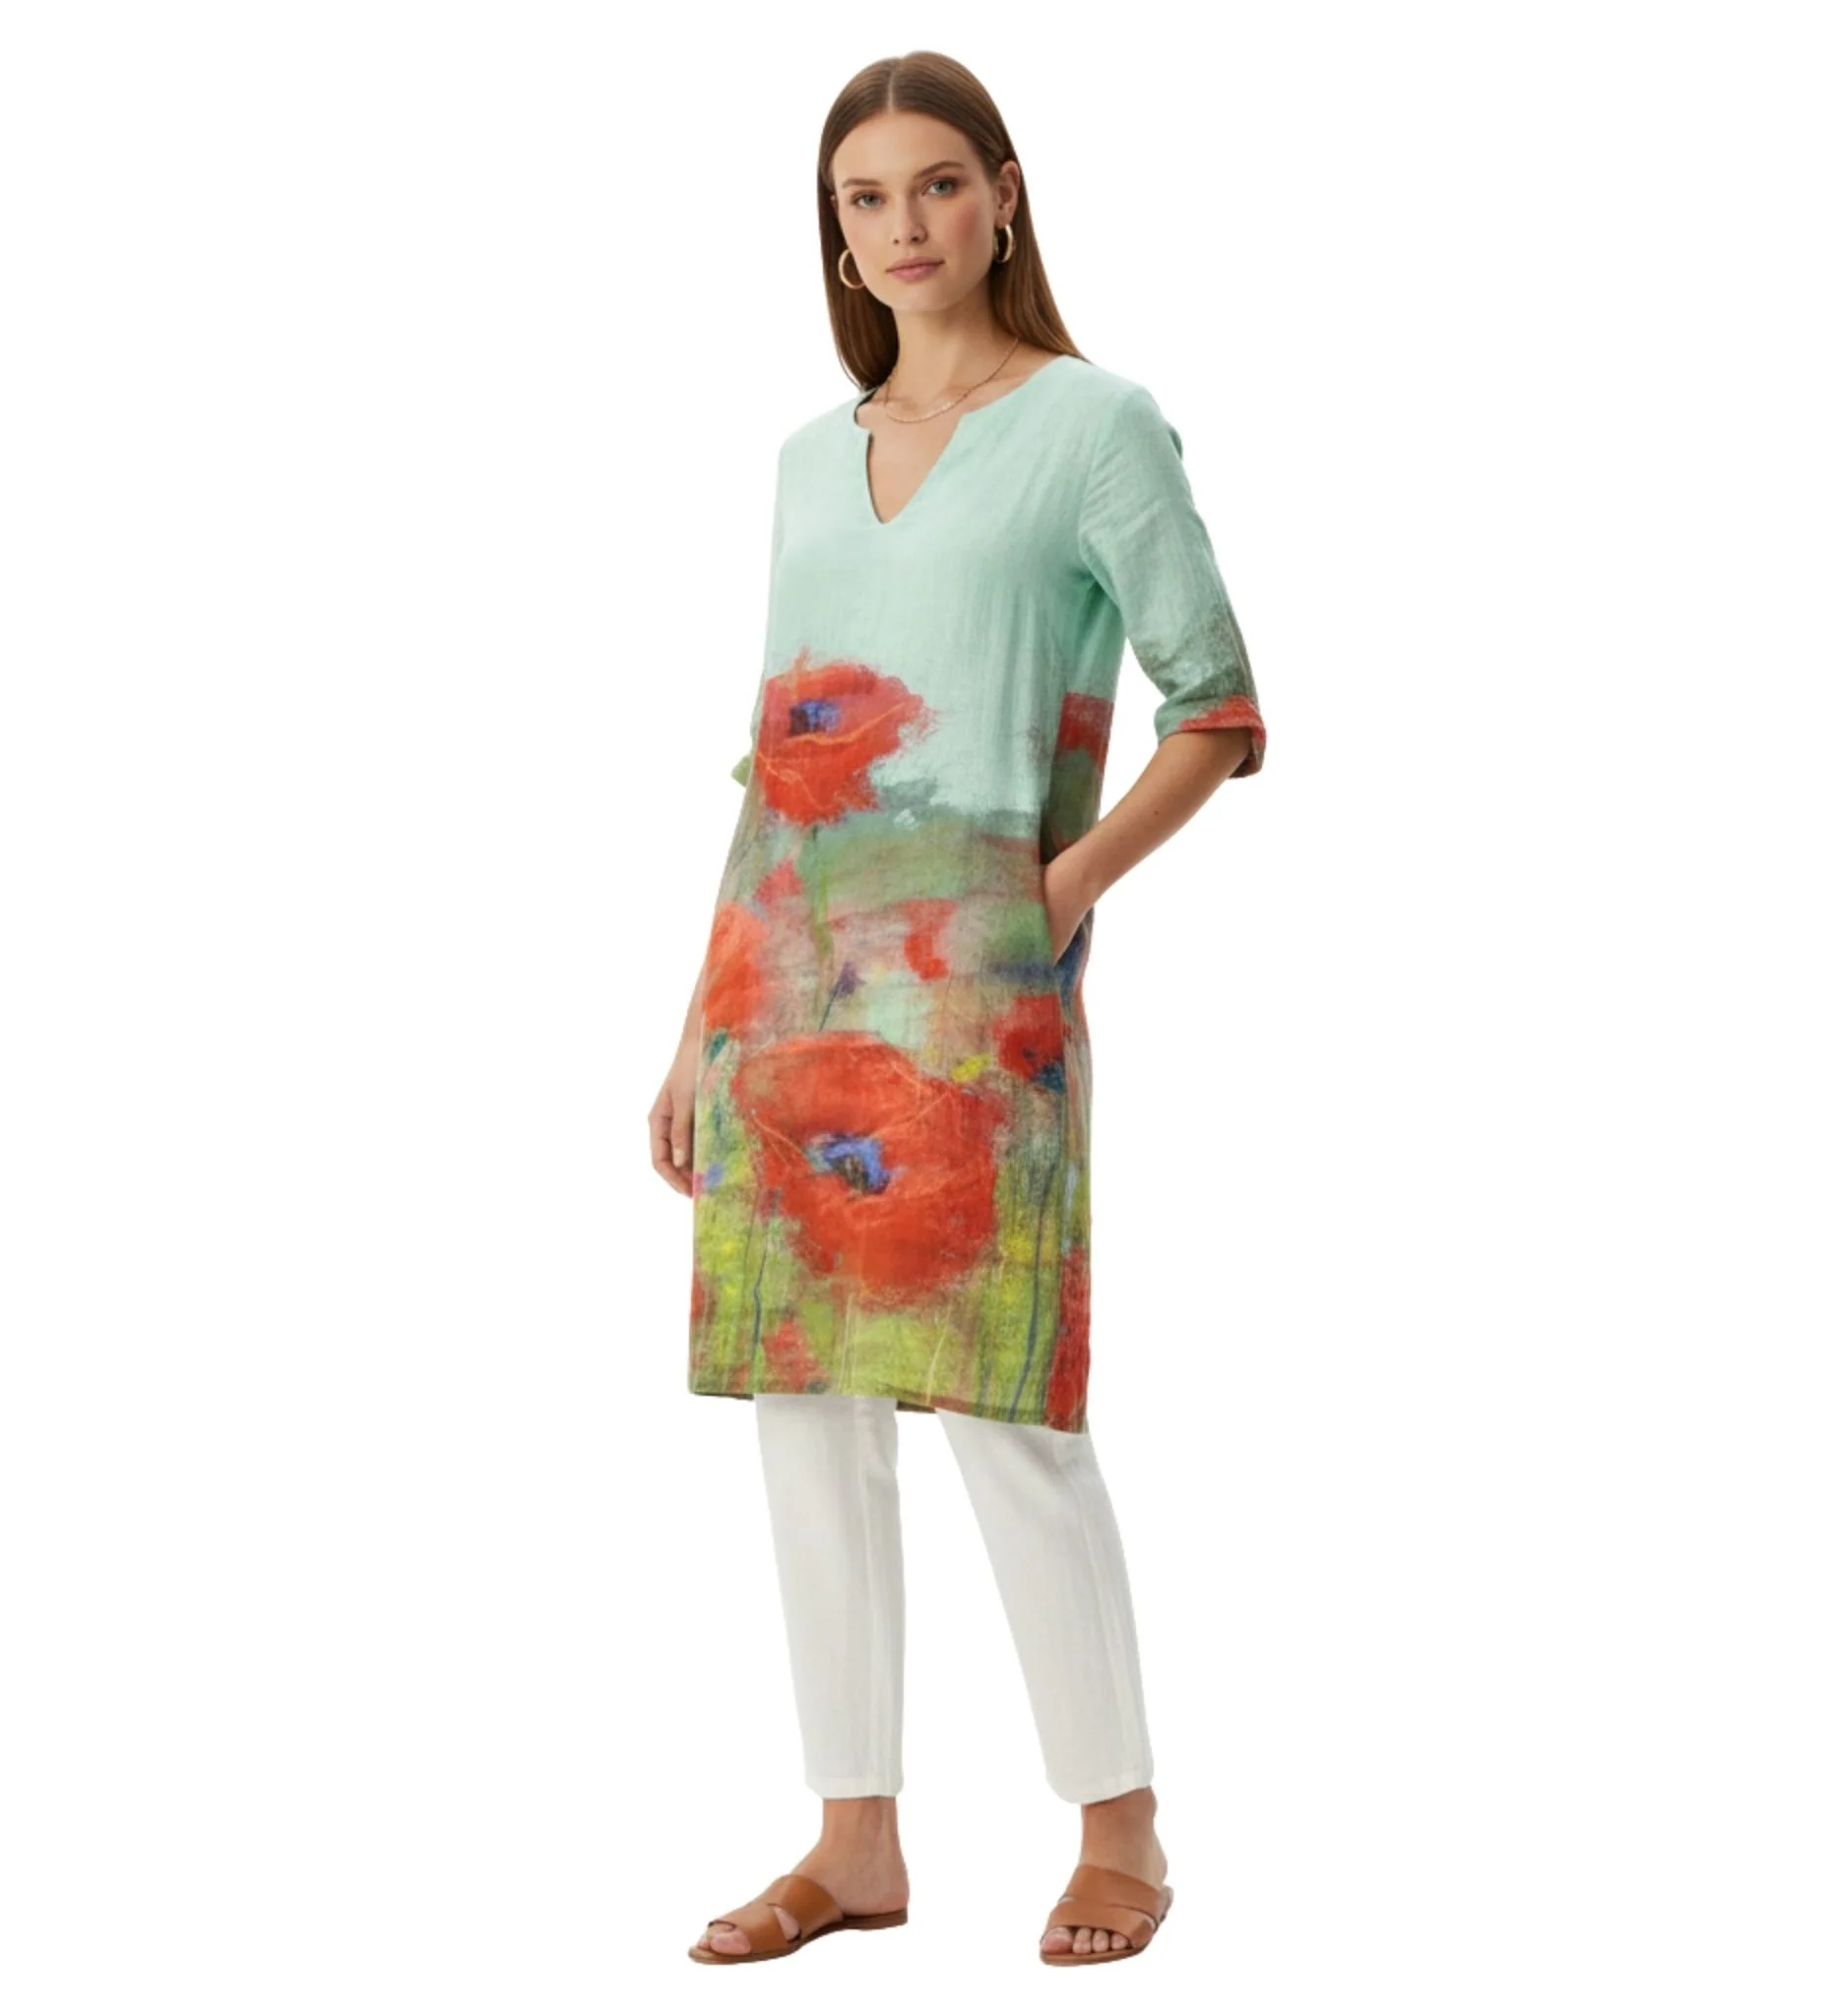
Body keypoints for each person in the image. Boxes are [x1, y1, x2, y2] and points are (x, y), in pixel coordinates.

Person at [648, 50, 1267, 1969]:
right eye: (865, 197)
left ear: (1002, 194)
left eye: (935, 183)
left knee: (1007, 1409)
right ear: (833, 234)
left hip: (978, 998)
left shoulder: (1093, 426)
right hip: (785, 987)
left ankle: (1120, 1825)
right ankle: (853, 1842)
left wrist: (1062, 889)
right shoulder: (803, 459)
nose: (902, 224)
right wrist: (692, 1024)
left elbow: (1219, 707)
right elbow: (779, 758)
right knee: (804, 1412)